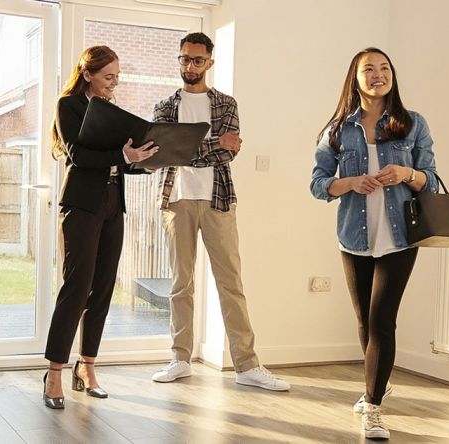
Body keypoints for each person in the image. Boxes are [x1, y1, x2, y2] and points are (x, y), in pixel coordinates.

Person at [148, 32, 290, 392]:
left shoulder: (226, 104)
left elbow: (229, 152)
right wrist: (209, 143)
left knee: (231, 283)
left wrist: (187, 146)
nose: (189, 66)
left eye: (197, 60)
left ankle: (246, 364)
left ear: (210, 62)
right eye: (184, 58)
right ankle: (180, 358)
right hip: (176, 200)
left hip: (218, 200)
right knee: (181, 284)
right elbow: (166, 153)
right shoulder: (165, 105)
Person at [309, 47, 439, 440]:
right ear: (356, 77)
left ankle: (373, 405)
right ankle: (377, 382)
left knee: (383, 319)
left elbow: (430, 179)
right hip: (353, 236)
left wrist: (406, 172)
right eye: (369, 69)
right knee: (365, 321)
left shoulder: (412, 123)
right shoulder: (336, 130)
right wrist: (349, 182)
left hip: (400, 236)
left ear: (392, 76)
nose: (378, 74)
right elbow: (317, 184)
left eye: (385, 68)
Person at [42, 45, 158, 410]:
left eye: (117, 78)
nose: (114, 84)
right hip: (81, 205)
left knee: (104, 288)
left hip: (112, 205)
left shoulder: (110, 112)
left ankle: (87, 367)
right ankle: (55, 372)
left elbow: (119, 158)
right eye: (108, 77)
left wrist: (143, 163)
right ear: (88, 73)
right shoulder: (69, 106)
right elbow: (78, 155)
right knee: (77, 287)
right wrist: (123, 156)